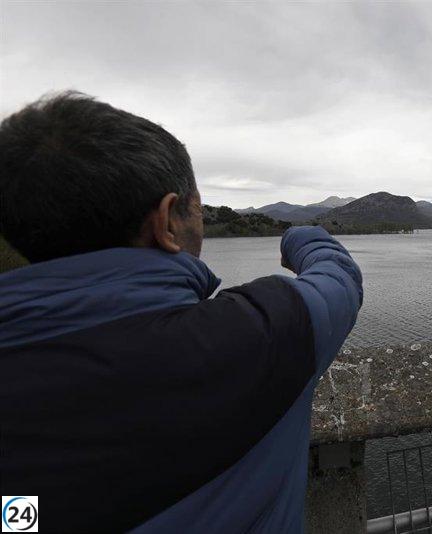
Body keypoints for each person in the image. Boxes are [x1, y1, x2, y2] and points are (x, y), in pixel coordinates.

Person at [0, 92, 363, 533]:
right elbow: (339, 277)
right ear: (168, 220)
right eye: (197, 207)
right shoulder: (258, 336)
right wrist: (300, 236)